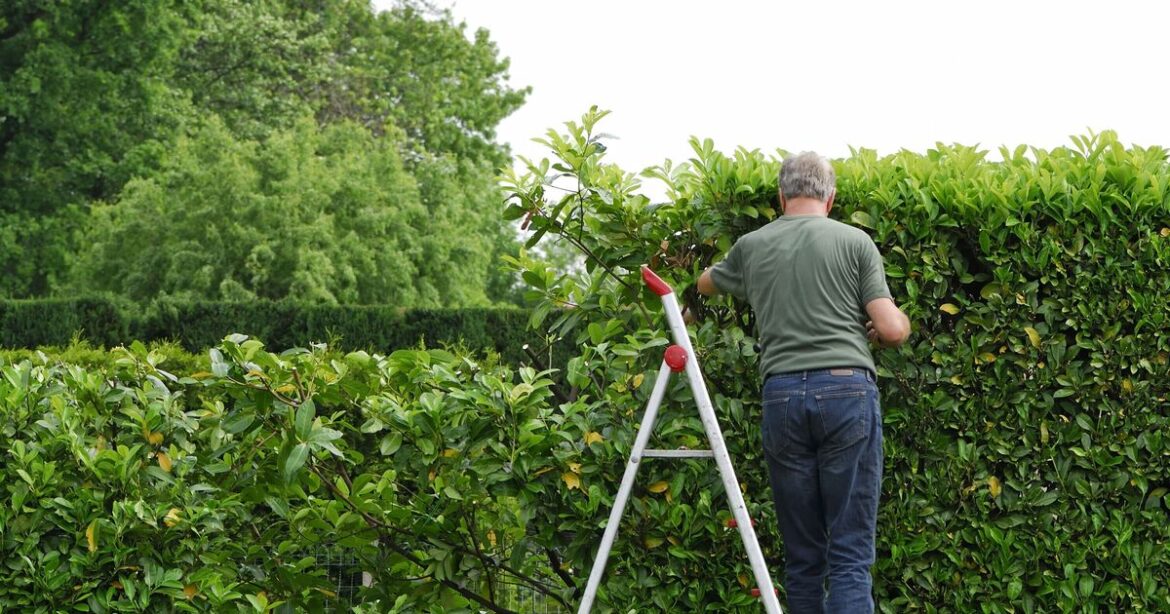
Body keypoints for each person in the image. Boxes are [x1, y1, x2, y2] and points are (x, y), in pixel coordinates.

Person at [696, 151, 910, 613]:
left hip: (783, 396)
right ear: (830, 198)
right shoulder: (855, 243)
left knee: (803, 557)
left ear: (781, 195)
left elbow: (705, 284)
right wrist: (896, 324)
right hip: (847, 391)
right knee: (850, 554)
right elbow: (891, 330)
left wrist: (710, 274)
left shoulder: (753, 246)